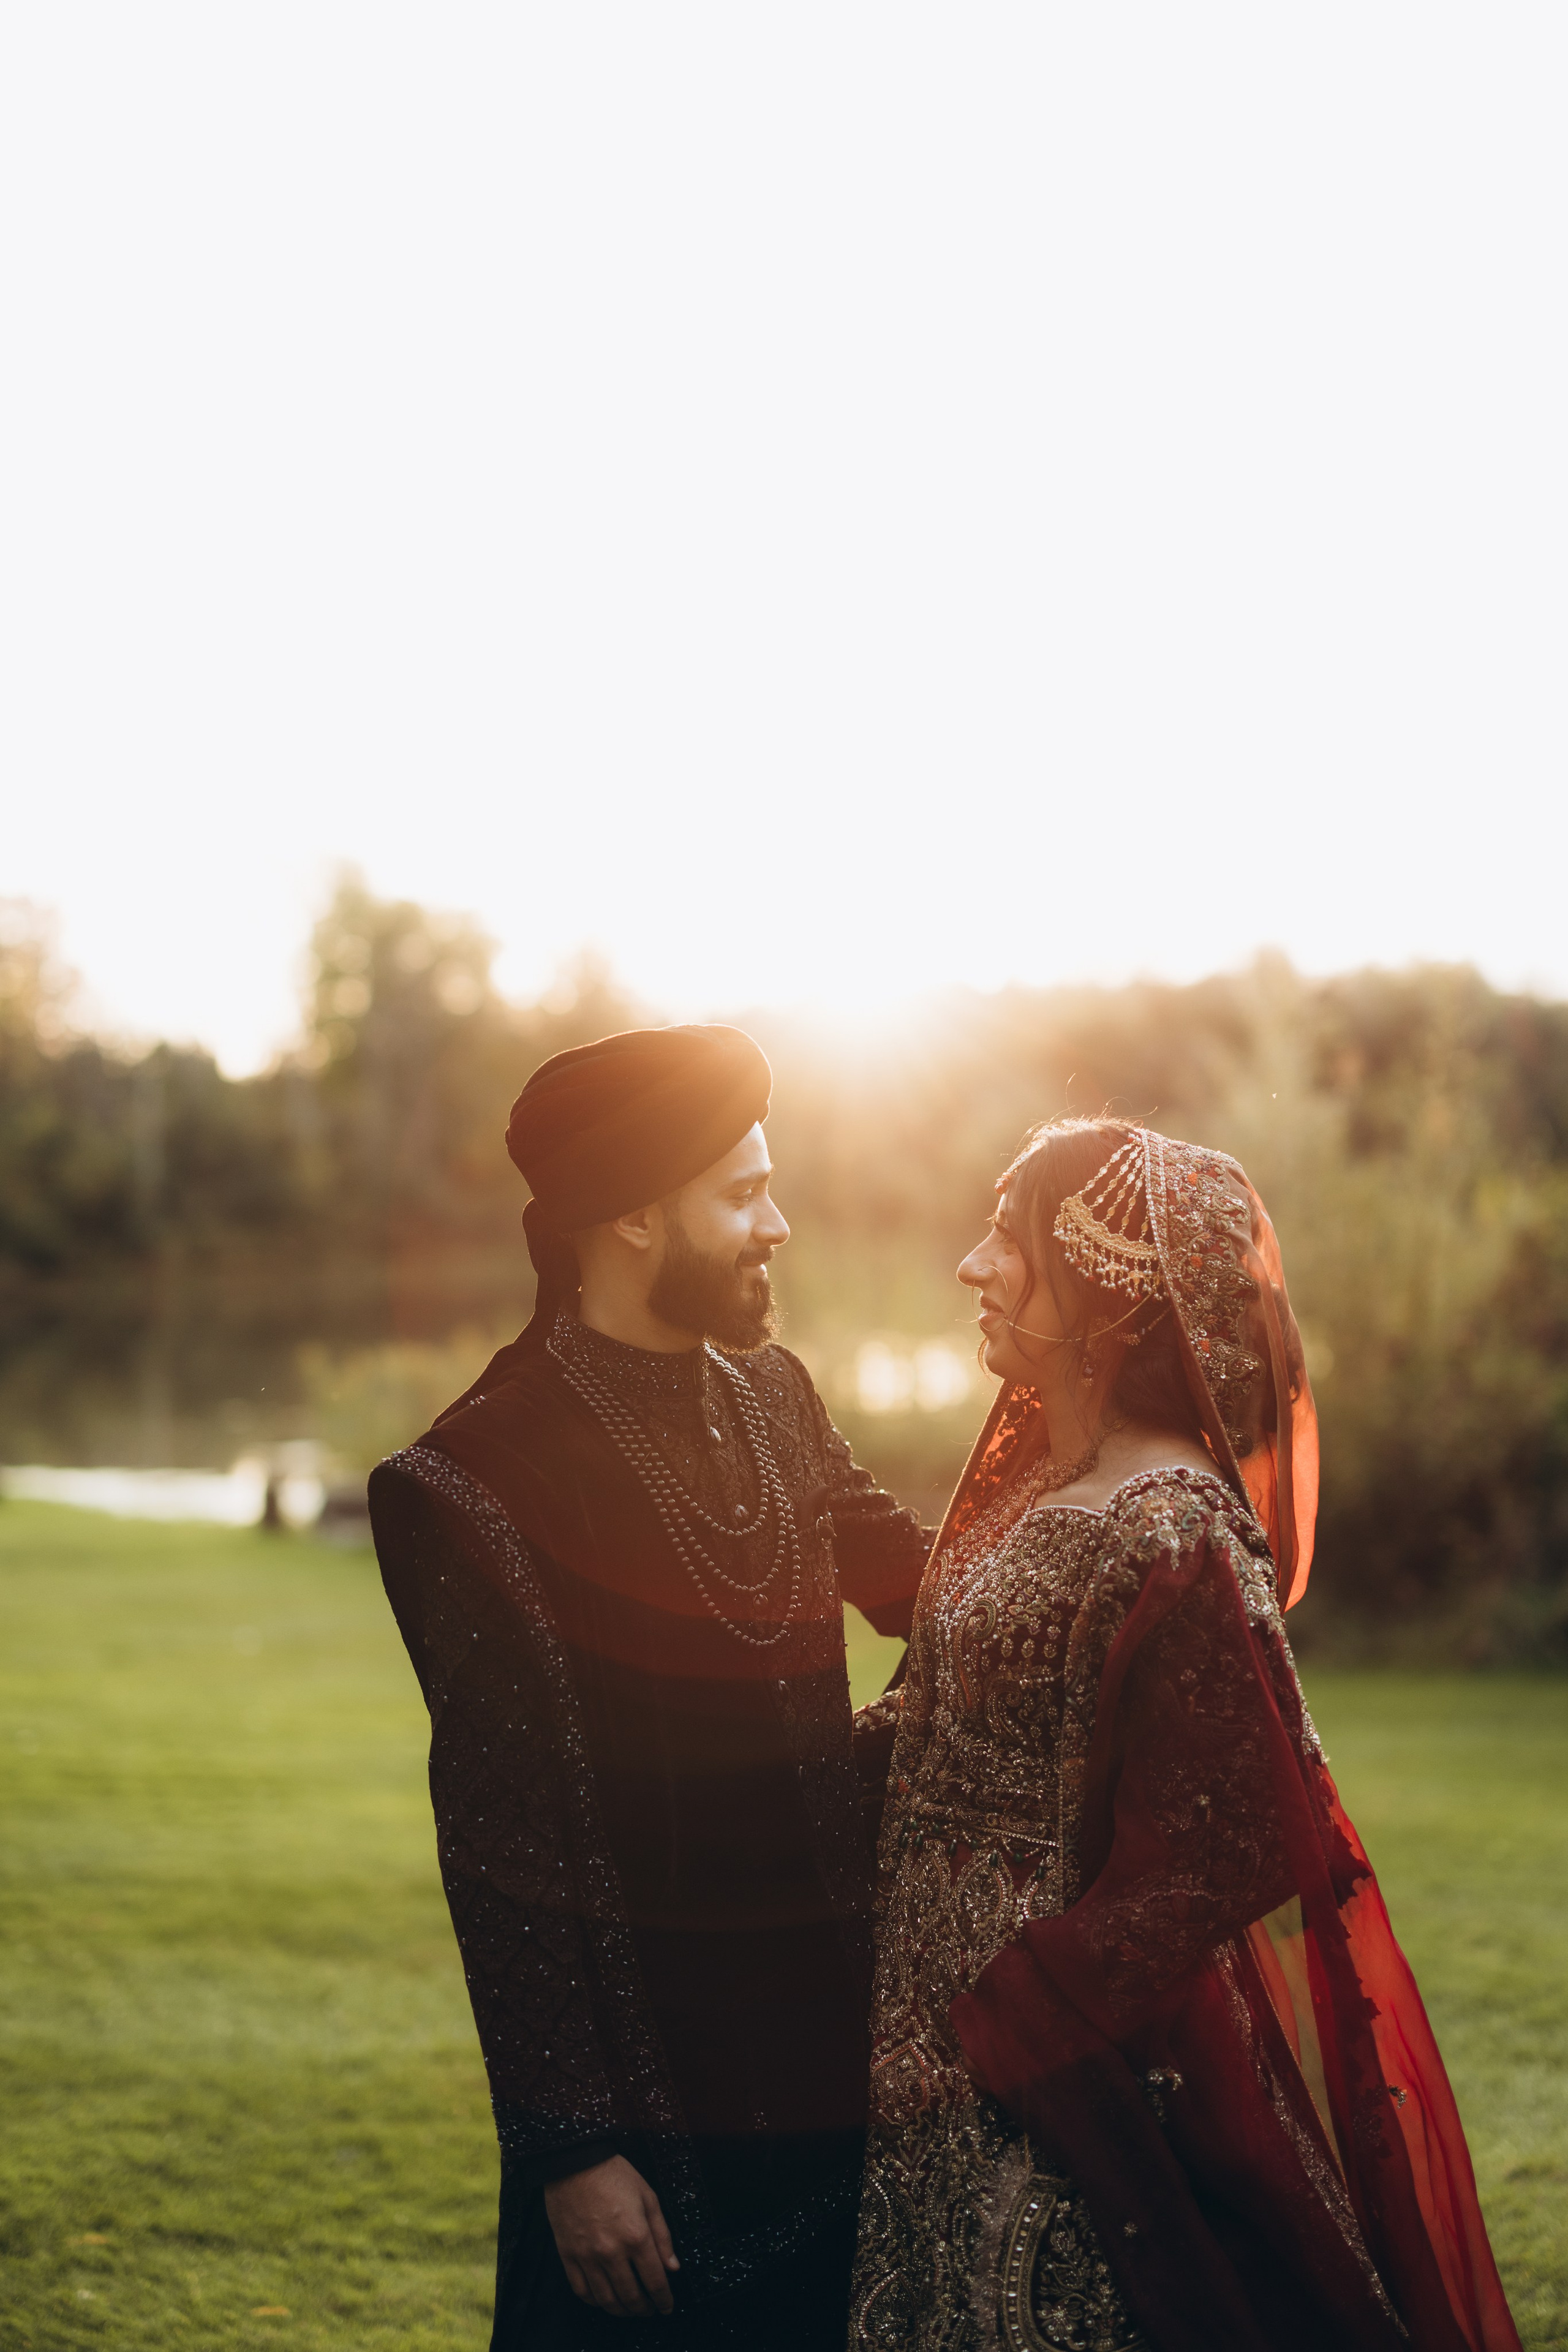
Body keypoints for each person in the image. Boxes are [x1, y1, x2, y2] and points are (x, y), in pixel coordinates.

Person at [848, 1117, 1521, 2352]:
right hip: (916, 2024)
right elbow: (939, 1722)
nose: (970, 1265)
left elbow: (1241, 1831)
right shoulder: (1037, 1482)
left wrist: (1022, 2007)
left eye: (1007, 1238)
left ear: (1105, 1287)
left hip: (1045, 2062)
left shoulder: (1174, 1522)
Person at [367, 1024, 929, 2351]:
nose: (777, 1225)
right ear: (630, 1215)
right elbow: (500, 1838)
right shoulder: (477, 1482)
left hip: (829, 2077)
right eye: (743, 1193)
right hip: (646, 2145)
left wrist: (1120, 1498)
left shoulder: (778, 1397)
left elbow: (939, 1595)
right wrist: (571, 2149)